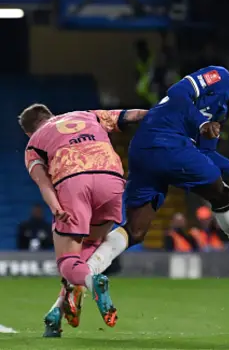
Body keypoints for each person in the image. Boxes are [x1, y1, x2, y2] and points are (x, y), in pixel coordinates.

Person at [78, 62, 229, 312]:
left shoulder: (219, 112)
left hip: (145, 149)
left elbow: (207, 156)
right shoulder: (219, 76)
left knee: (135, 229)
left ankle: (84, 275)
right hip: (166, 142)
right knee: (221, 193)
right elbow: (178, 92)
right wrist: (200, 124)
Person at [19, 104, 147, 337]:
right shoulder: (87, 114)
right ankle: (56, 312)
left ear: (28, 132)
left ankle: (91, 282)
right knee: (89, 245)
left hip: (74, 181)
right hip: (112, 179)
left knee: (68, 261)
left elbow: (44, 183)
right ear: (52, 115)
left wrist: (55, 208)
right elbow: (134, 115)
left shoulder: (34, 142)